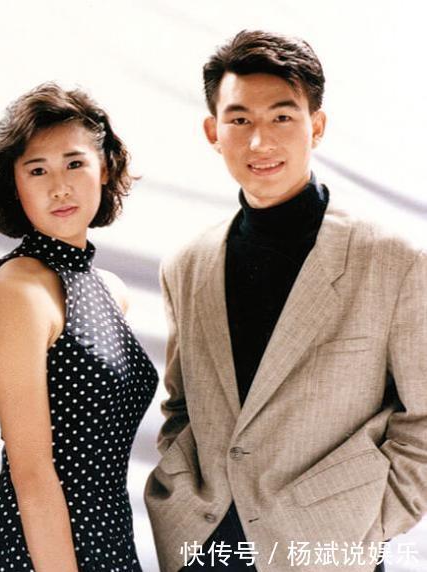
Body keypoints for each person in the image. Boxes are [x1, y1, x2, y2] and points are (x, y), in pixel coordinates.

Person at [145, 30, 427, 572]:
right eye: (239, 120)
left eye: (282, 117)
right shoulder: (186, 264)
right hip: (205, 545)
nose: (260, 142)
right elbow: (181, 408)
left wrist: (367, 525)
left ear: (316, 126)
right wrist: (177, 499)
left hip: (326, 550)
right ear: (213, 131)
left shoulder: (393, 260)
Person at [0, 83, 158, 571]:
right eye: (37, 170)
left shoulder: (110, 289)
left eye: (74, 164)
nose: (59, 187)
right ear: (15, 185)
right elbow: (32, 474)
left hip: (109, 543)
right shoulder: (17, 287)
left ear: (104, 168)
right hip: (38, 553)